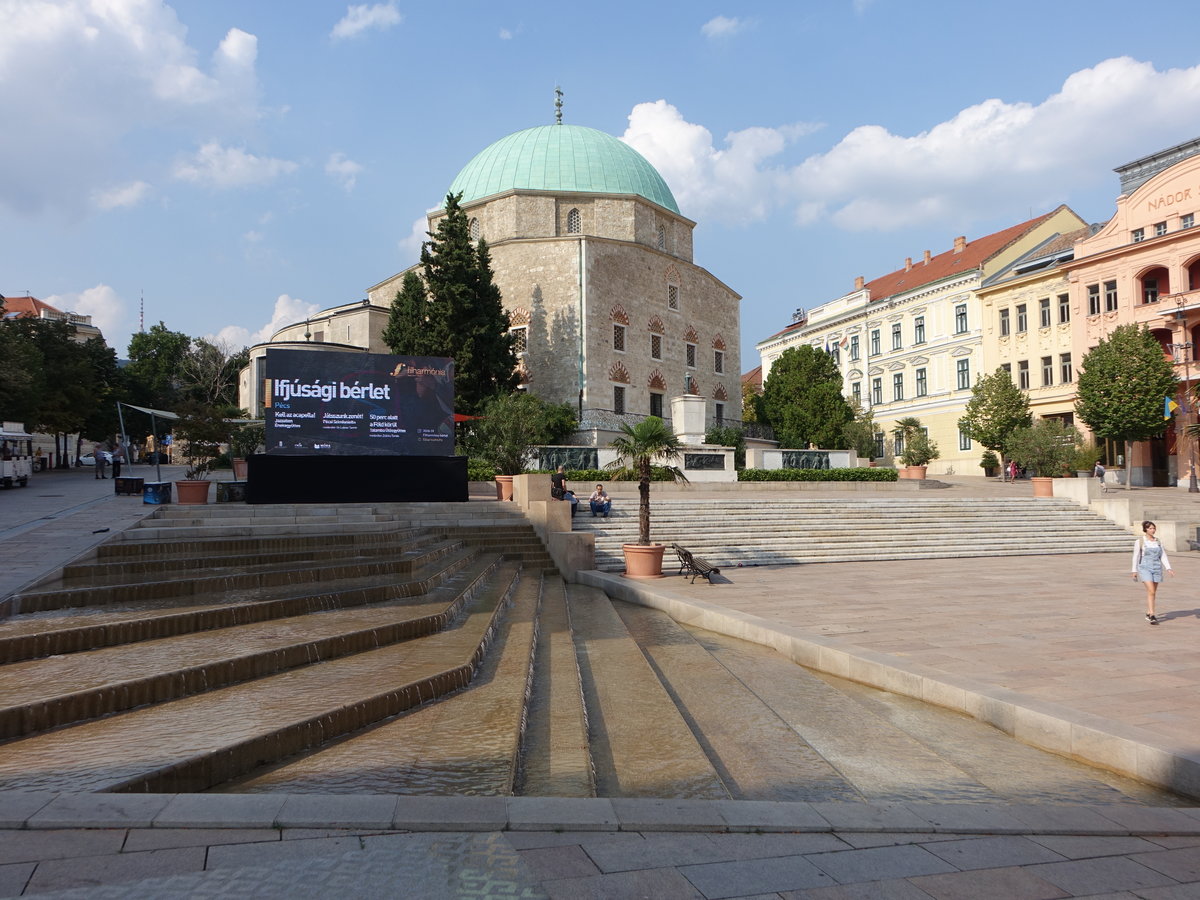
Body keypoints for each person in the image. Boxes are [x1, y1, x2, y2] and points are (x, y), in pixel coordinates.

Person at [1132, 520, 1173, 625]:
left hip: (1157, 567)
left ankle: (1148, 611)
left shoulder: (1158, 542)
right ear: (1145, 529)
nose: (1152, 530)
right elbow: (1136, 556)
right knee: (1151, 590)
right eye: (1150, 528)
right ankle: (1152, 615)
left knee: (1153, 592)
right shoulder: (1140, 542)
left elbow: (1163, 555)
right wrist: (1134, 570)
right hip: (1145, 567)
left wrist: (1168, 568)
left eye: (1154, 528)